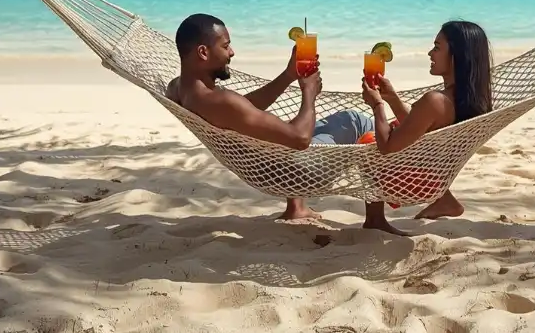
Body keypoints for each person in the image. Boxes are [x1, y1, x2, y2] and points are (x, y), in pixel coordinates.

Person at [165, 13, 376, 221]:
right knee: (358, 122)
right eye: (225, 46)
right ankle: (379, 217)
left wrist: (288, 76)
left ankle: (296, 208)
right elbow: (300, 139)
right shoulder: (221, 101)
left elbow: (243, 110)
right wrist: (309, 92)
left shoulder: (178, 89)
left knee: (283, 125)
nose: (232, 52)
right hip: (299, 172)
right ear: (203, 52)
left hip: (270, 168)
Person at [359, 20, 493, 234]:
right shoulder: (473, 99)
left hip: (416, 183)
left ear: (457, 55)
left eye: (437, 48)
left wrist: (377, 105)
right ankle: (446, 201)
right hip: (436, 176)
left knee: (368, 142)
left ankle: (375, 219)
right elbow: (421, 130)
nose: (430, 53)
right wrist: (393, 98)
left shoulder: (435, 101)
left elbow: (386, 148)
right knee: (393, 128)